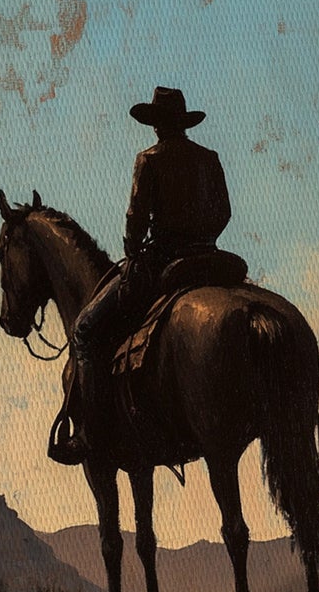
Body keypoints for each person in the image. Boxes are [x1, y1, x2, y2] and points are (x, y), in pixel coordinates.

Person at [49, 87, 231, 464]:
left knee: (84, 330)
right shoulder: (209, 158)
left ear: (157, 125)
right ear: (182, 123)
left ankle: (91, 436)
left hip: (160, 264)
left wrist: (134, 249)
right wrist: (203, 238)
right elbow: (224, 212)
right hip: (210, 259)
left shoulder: (148, 160)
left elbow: (135, 220)